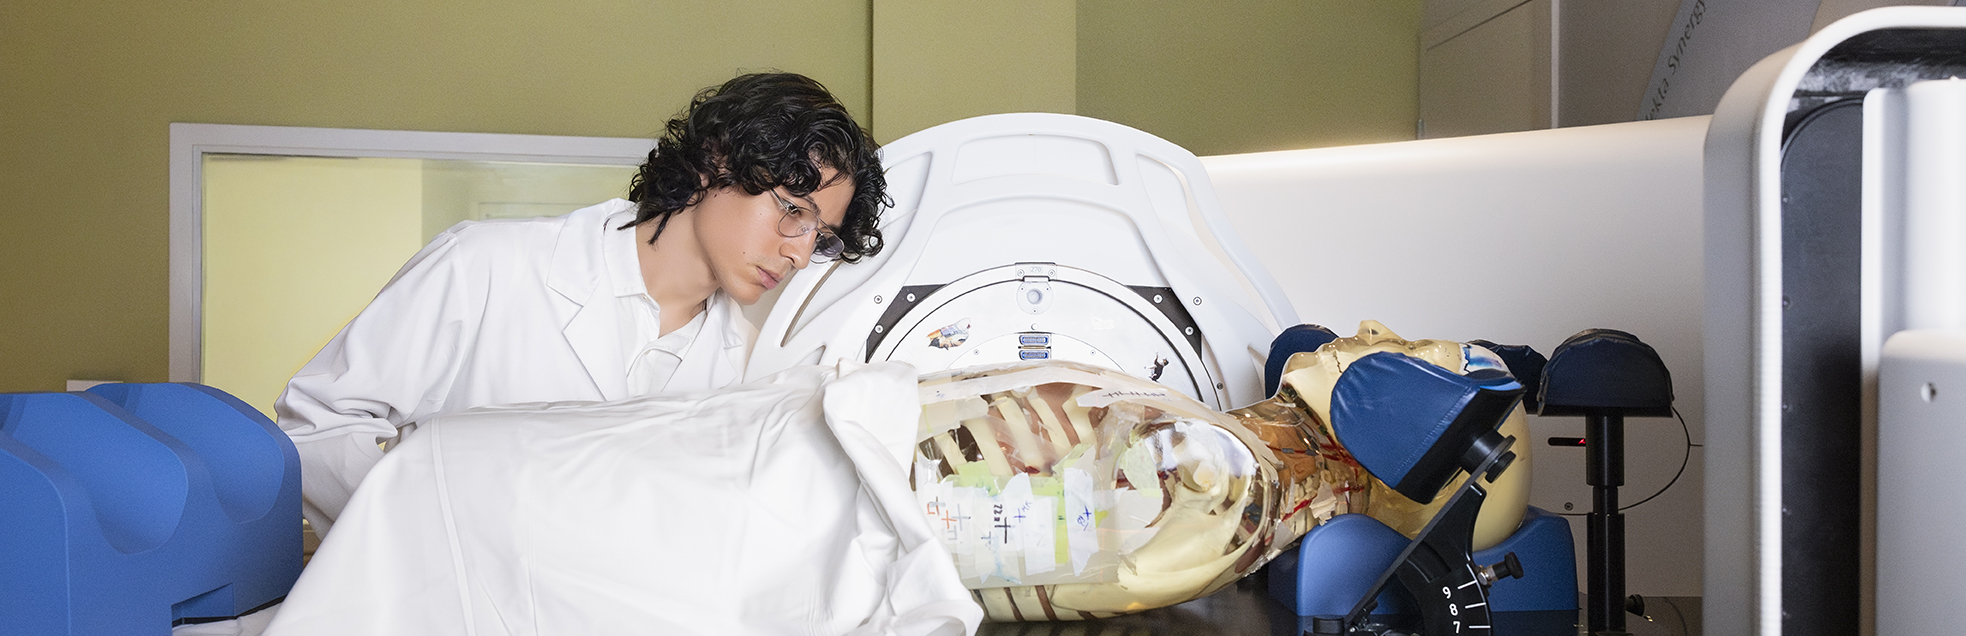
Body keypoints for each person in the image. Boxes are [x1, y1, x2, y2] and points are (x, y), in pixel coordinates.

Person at [275, 72, 889, 537]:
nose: (799, 251)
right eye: (791, 209)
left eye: (821, 236)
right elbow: (315, 426)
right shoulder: (488, 266)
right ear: (715, 161)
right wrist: (428, 538)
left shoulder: (753, 361)